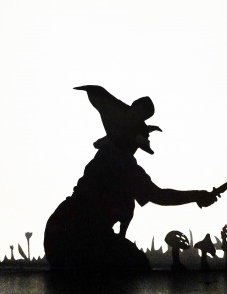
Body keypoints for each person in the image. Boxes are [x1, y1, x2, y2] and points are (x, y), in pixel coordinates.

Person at [43, 87, 218, 270]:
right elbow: (159, 196)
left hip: (62, 236)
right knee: (136, 264)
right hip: (73, 238)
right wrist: (198, 195)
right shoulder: (122, 163)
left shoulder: (110, 154)